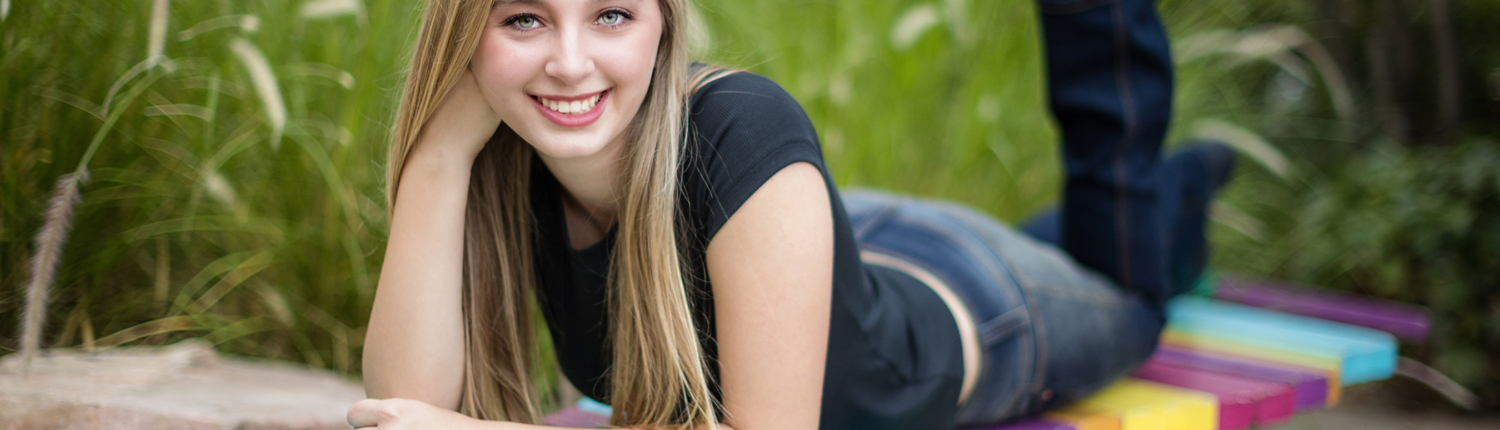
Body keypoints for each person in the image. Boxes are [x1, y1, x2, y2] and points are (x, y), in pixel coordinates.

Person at [348, 0, 1236, 429]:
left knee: (1132, 284)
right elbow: (405, 409)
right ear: (467, 36)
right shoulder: (507, 161)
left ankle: (1187, 178)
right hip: (807, 237)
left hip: (978, 303)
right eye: (524, 20)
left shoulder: (743, 129)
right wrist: (440, 150)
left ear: (663, 23)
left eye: (611, 13)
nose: (571, 64)